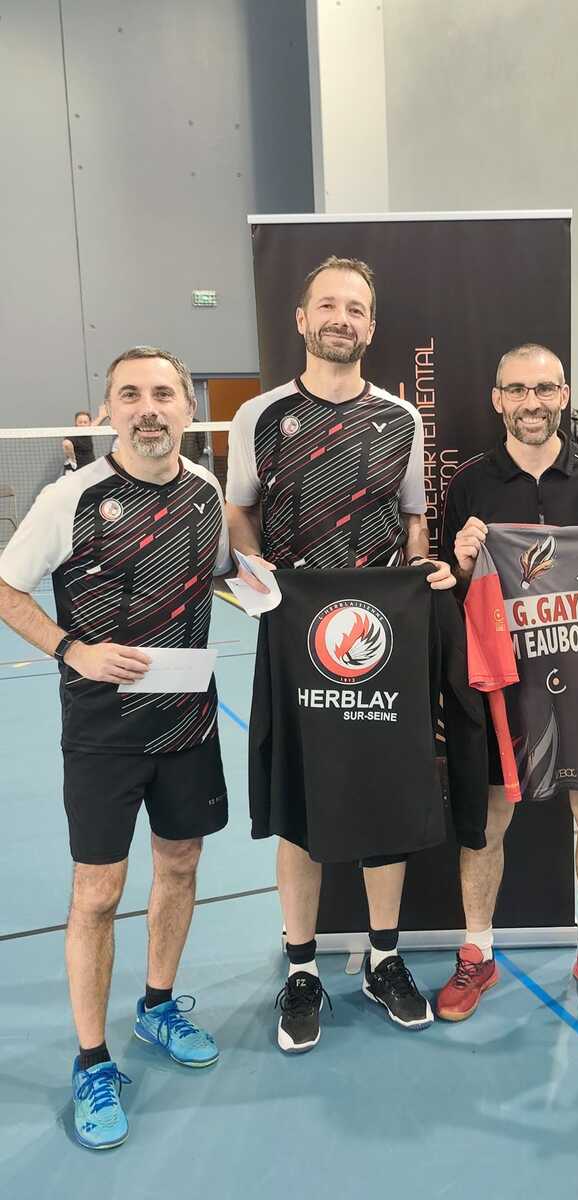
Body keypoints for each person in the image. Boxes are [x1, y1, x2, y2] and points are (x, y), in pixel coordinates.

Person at [0, 347, 232, 1149]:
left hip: (189, 721)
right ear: (108, 411)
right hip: (102, 732)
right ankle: (93, 1061)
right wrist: (72, 649)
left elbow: (222, 572)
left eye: (163, 393)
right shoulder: (70, 496)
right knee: (97, 893)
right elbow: (5, 586)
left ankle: (158, 1005)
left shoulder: (205, 492)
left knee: (181, 865)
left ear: (187, 407)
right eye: (130, 395)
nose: (148, 408)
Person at [225, 255, 456, 1052]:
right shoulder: (258, 416)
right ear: (302, 319)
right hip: (296, 640)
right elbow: (239, 513)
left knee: (386, 796)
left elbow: (413, 520)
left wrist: (420, 577)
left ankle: (384, 960)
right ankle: (301, 968)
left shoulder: (401, 419)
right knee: (301, 802)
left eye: (355, 309)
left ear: (371, 326)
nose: (341, 319)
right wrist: (263, 578)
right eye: (328, 305)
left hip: (381, 638)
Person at [436, 342, 578, 1022]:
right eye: (516, 390)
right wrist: (464, 560)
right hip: (503, 677)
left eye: (544, 389)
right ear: (496, 400)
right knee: (489, 818)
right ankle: (477, 952)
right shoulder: (468, 483)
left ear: (563, 395)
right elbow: (451, 588)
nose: (530, 403)